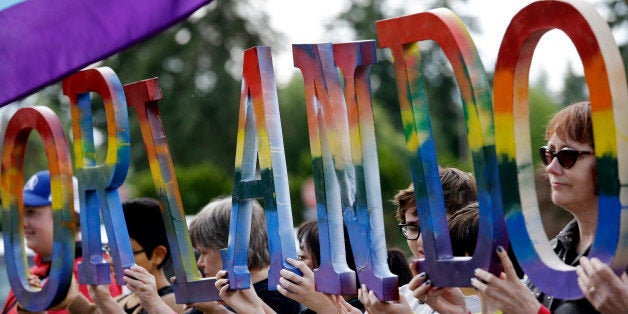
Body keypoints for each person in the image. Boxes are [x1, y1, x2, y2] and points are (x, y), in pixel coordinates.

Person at [472, 101, 611, 313]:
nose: (551, 168)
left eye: (567, 156)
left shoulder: (621, 255)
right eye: (548, 154)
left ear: (610, 162)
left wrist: (530, 310)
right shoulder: (551, 252)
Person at [357, 167, 480, 314]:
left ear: (465, 225)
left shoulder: (498, 300)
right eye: (413, 228)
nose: (422, 243)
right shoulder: (399, 297)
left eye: (436, 229)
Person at [1, 170, 122, 314]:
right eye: (22, 213)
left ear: (66, 218)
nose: (23, 223)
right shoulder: (32, 274)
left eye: (31, 212)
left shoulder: (89, 273)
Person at [64, 197, 185, 314]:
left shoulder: (178, 304)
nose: (110, 261)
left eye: (122, 253)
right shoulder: (120, 300)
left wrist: (106, 302)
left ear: (157, 255)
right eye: (109, 250)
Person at [188, 196, 301, 314]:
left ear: (231, 249)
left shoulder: (281, 294)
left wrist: (215, 310)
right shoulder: (223, 288)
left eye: (204, 253)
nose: (199, 263)